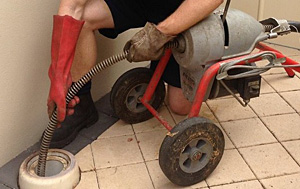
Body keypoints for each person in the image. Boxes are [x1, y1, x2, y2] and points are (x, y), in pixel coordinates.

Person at [47, 0, 224, 148]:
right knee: (84, 19)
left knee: (180, 106)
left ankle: (219, 56)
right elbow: (72, 7)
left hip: (184, 6)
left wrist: (161, 34)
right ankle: (82, 104)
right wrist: (59, 77)